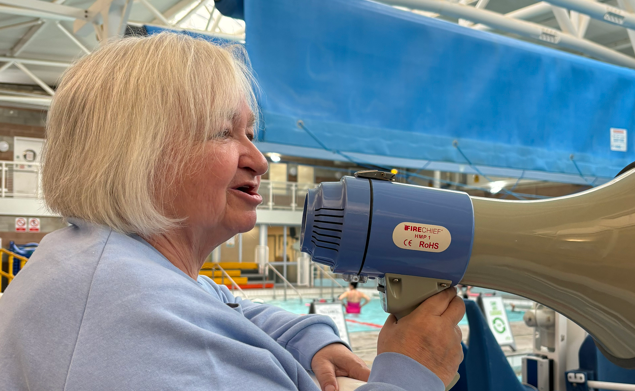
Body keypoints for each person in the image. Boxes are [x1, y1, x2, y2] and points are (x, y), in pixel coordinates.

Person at [0, 33, 465, 391]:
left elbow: (222, 305)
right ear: (138, 154)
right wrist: (412, 372)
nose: (259, 160)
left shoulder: (97, 262)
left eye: (251, 133)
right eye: (225, 133)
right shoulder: (133, 322)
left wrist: (311, 337)